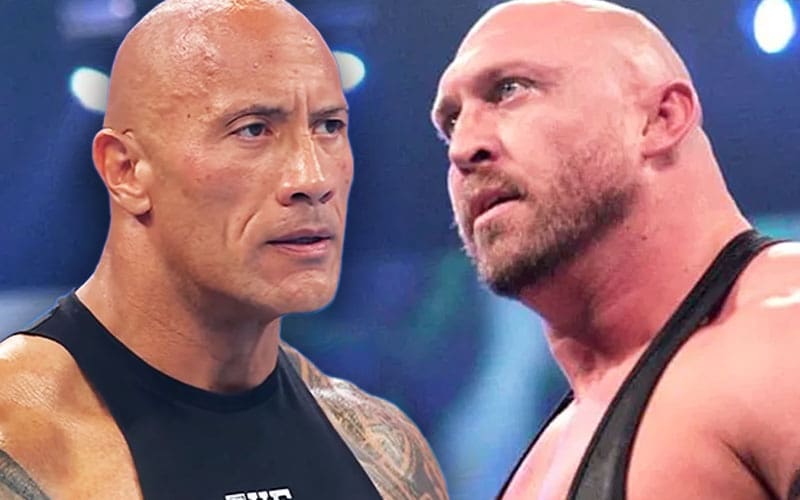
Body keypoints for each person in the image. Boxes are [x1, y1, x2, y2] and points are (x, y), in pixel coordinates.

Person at [0, 1, 448, 498]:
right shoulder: (18, 438)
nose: (314, 178)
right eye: (253, 129)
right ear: (125, 171)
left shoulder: (382, 446)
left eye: (329, 127)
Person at [431, 0, 800, 498]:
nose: (461, 148)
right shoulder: (542, 460)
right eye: (452, 122)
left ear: (660, 118)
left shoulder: (783, 330)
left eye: (510, 90)